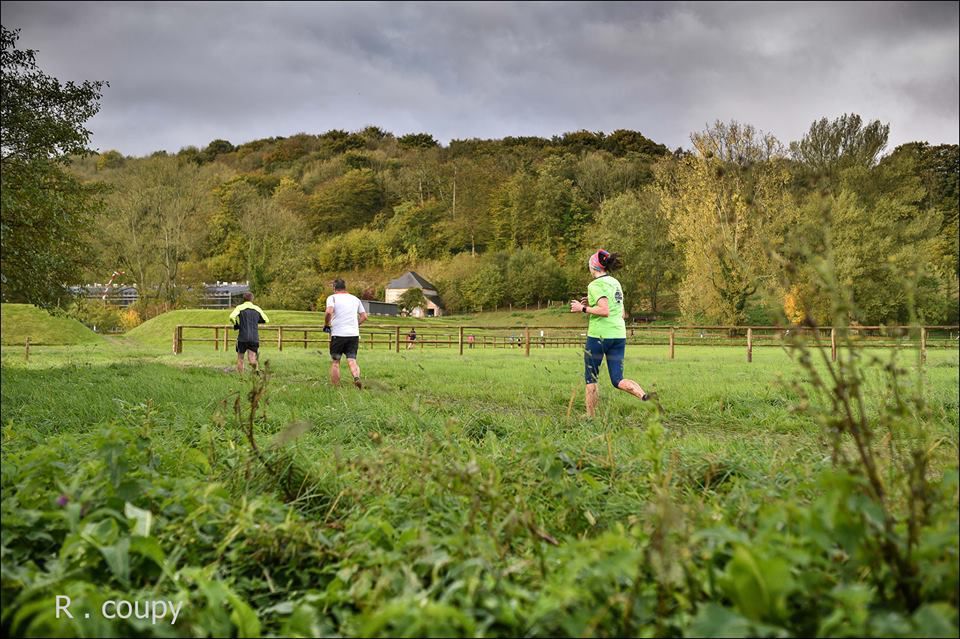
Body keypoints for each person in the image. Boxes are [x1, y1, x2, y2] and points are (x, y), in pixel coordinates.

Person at [570, 249, 649, 417]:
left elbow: (604, 310)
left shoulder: (595, 285)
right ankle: (644, 396)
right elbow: (619, 311)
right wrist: (591, 302)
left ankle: (590, 416)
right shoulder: (615, 283)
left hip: (599, 336)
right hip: (619, 335)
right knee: (617, 379)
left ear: (593, 267)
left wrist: (582, 308)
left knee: (591, 378)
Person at [324, 279, 368, 388]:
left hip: (338, 334)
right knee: (352, 359)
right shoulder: (355, 299)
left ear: (334, 288)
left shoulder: (332, 298)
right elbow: (364, 316)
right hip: (353, 335)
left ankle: (336, 387)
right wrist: (355, 325)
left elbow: (329, 311)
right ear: (345, 287)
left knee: (335, 362)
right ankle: (356, 377)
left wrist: (326, 324)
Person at [229, 292, 270, 374]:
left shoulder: (239, 308)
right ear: (252, 299)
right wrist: (257, 321)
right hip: (254, 337)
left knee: (240, 358)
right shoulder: (257, 308)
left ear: (243, 299)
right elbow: (266, 320)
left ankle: (241, 377)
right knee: (252, 357)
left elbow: (231, 317)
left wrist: (236, 323)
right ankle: (256, 373)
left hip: (242, 337)